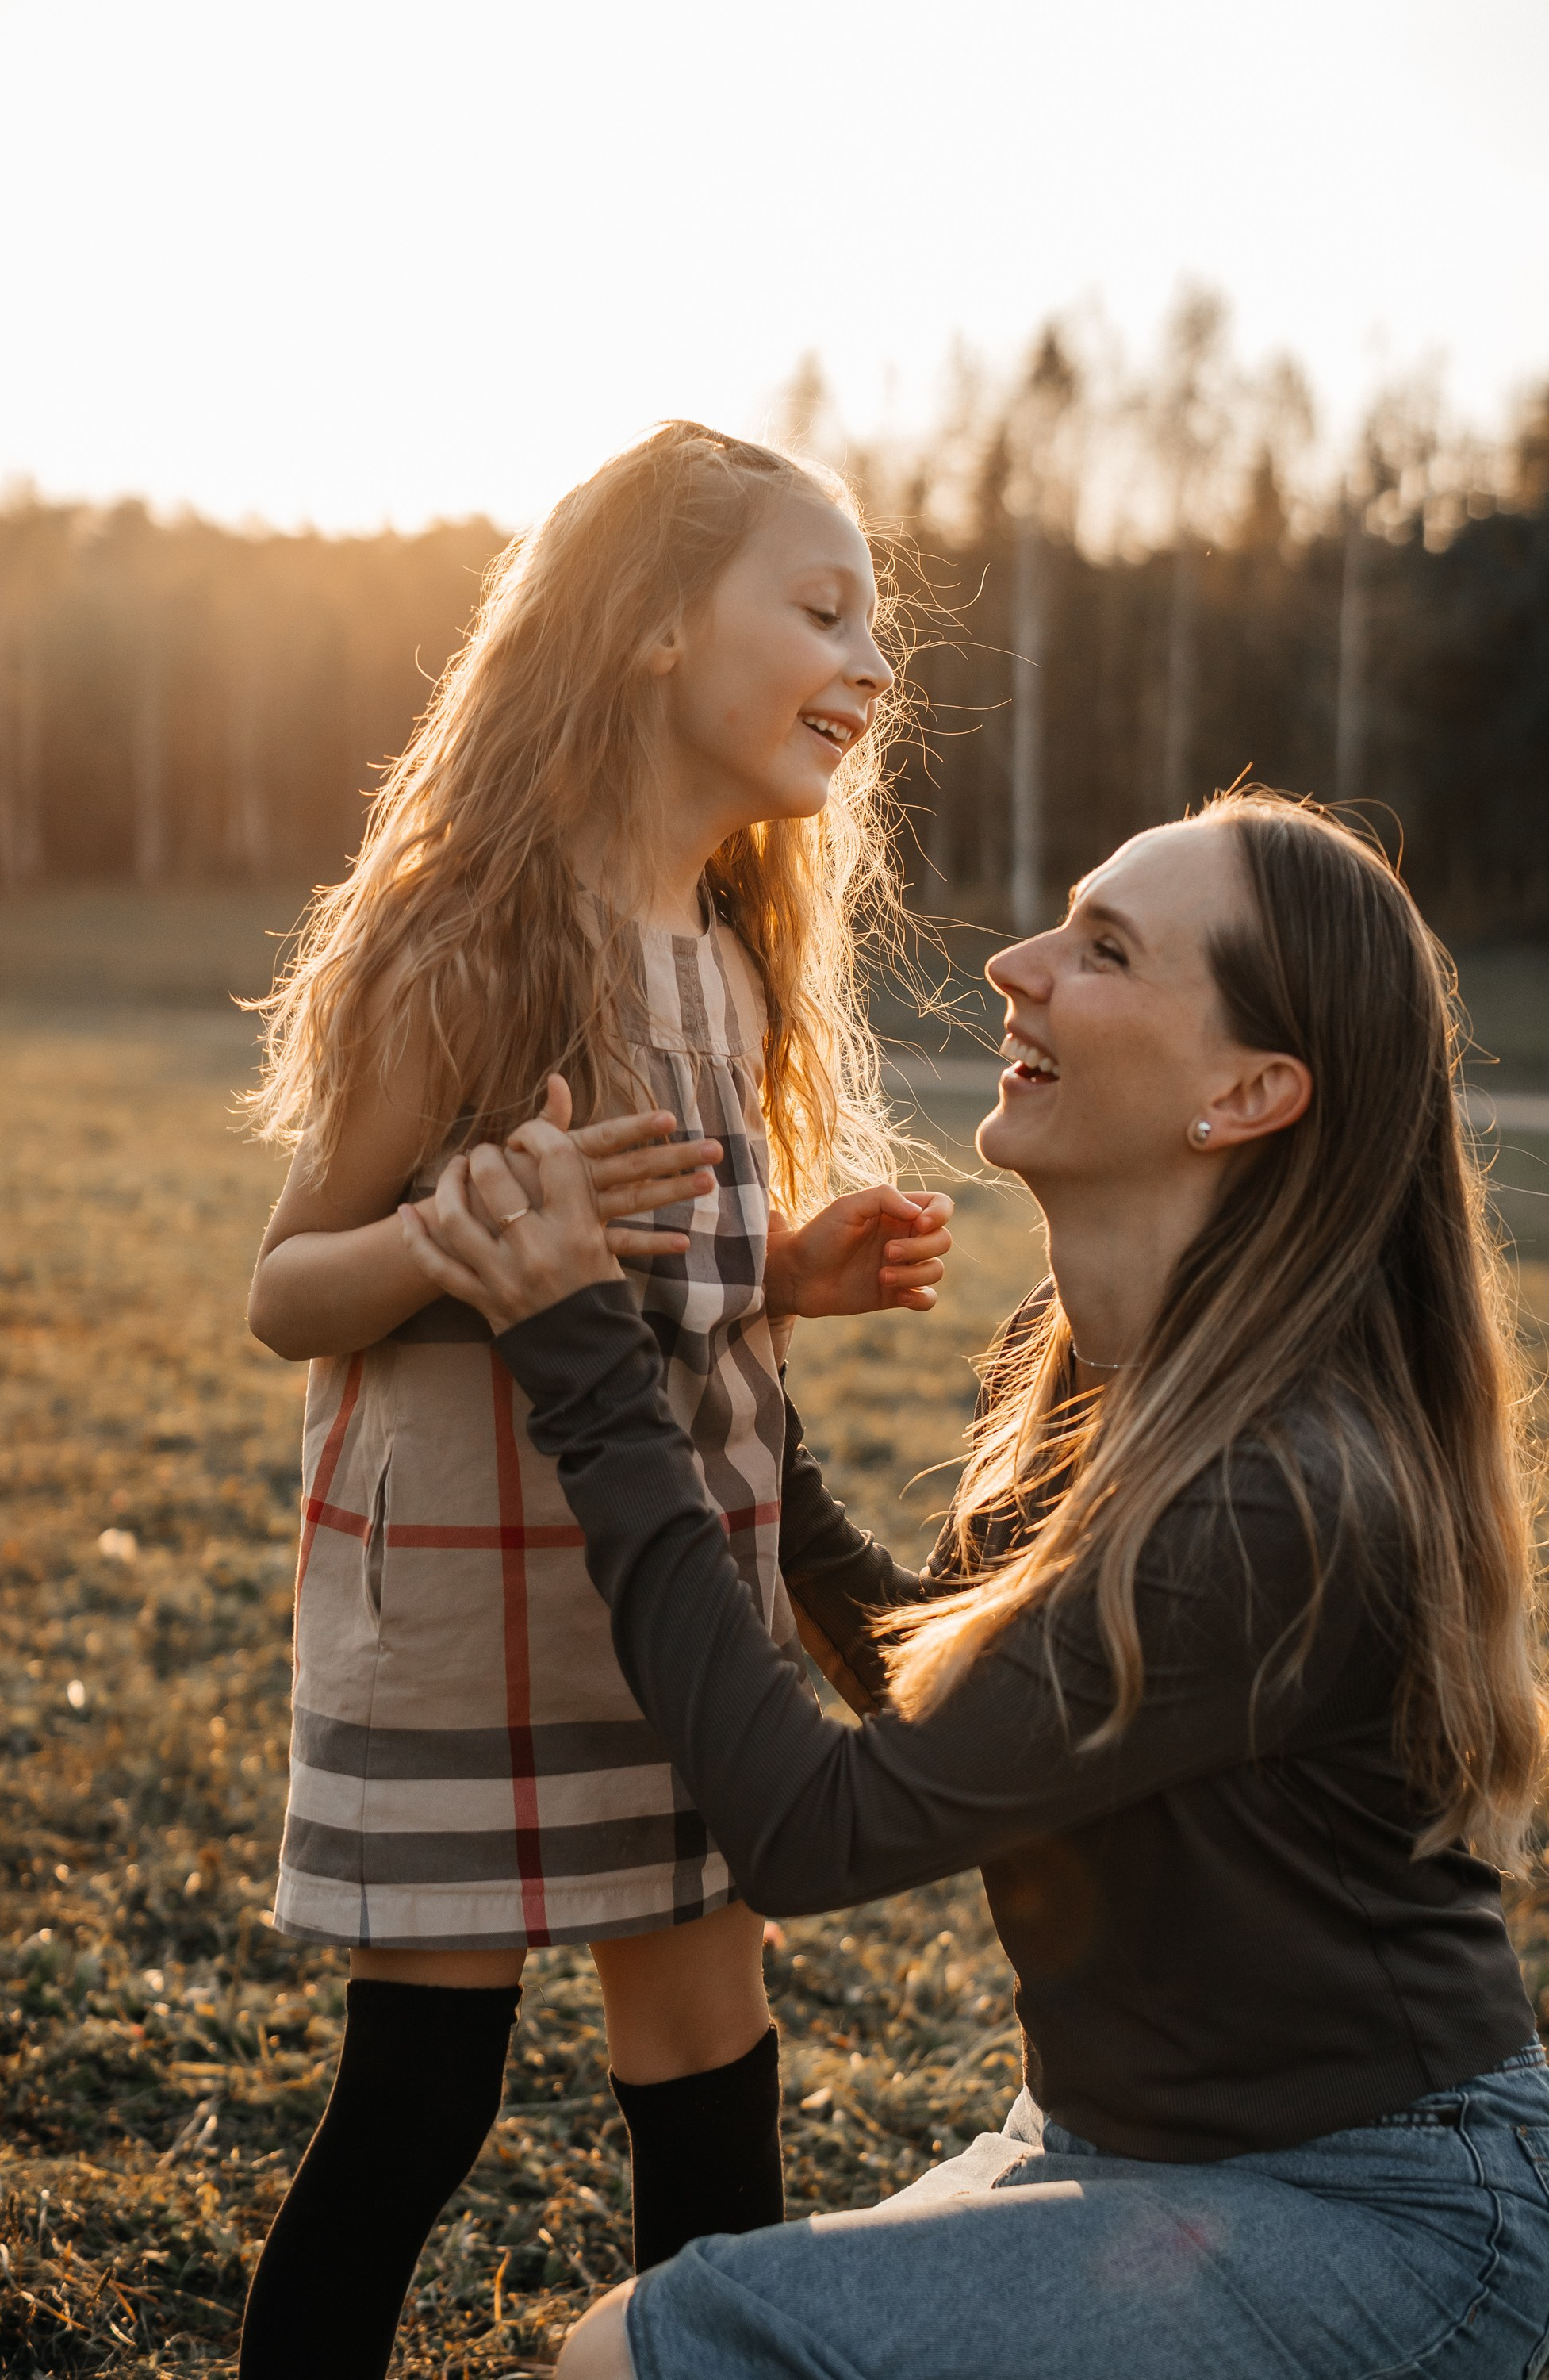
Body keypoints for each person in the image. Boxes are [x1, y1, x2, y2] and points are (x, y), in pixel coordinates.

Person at [398, 789, 1549, 2380]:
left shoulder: (1278, 1493)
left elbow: (818, 1829)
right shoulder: (1078, 1364)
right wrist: (739, 1390)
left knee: (640, 2358)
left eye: (1102, 949)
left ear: (1246, 1092)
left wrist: (592, 1371)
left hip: (1375, 2212)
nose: (1014, 964)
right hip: (1116, 2156)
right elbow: (943, 1699)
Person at [236, 422, 953, 2379]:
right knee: (422, 2105)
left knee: (712, 2073)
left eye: (874, 624)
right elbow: (286, 1287)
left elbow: (672, 1305)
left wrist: (784, 1275)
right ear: (646, 628)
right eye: (823, 608)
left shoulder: (730, 961)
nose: (872, 664)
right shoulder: (465, 939)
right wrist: (450, 1243)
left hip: (675, 1622)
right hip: (469, 1631)